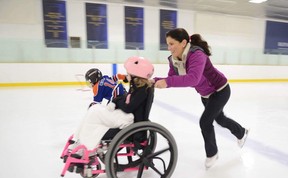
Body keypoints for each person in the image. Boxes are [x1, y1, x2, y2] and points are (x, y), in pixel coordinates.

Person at [153, 28, 249, 169]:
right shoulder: (173, 60)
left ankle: (212, 153)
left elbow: (193, 79)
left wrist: (167, 82)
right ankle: (241, 132)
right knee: (220, 119)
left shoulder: (197, 54)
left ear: (183, 43)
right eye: (167, 44)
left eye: (172, 44)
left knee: (205, 122)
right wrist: (153, 81)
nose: (169, 48)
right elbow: (172, 78)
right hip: (205, 95)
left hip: (220, 90)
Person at [68, 56, 154, 157]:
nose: (126, 75)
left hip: (127, 119)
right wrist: (117, 101)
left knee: (94, 114)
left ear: (136, 74)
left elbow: (128, 107)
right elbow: (127, 101)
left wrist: (116, 101)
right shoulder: (137, 87)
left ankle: (88, 147)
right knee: (94, 111)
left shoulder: (142, 90)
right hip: (124, 115)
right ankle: (80, 140)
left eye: (128, 73)